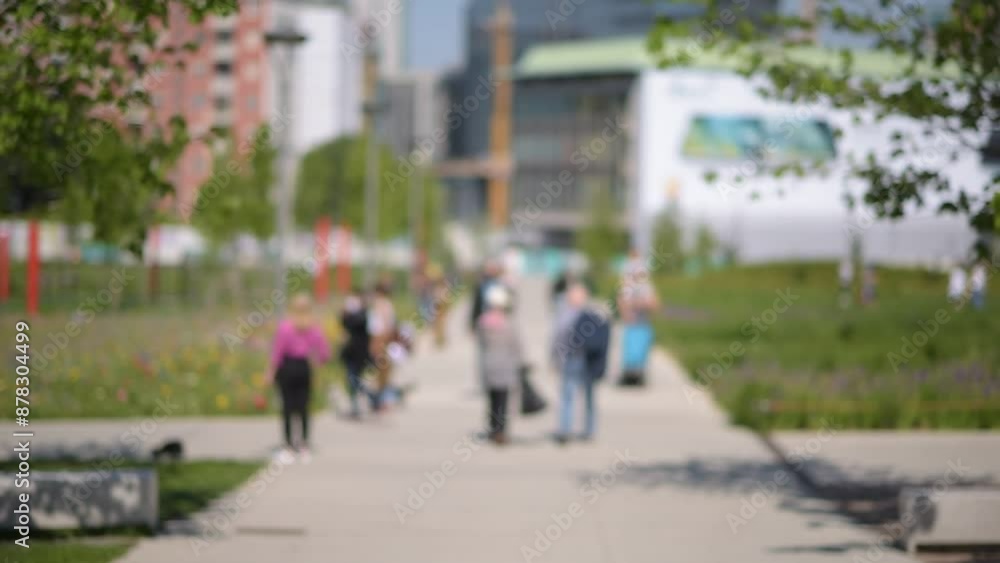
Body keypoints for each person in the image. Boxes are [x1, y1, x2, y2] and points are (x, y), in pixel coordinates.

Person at [269, 293, 331, 463]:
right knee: (303, 407)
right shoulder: (313, 327)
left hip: (287, 367)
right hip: (304, 367)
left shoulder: (285, 327)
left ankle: (289, 446)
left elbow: (277, 352)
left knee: (287, 407)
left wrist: (271, 373)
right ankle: (303, 445)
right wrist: (318, 361)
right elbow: (324, 352)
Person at [552, 283, 610, 444]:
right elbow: (556, 339)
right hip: (571, 359)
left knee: (588, 396)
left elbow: (601, 342)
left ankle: (589, 430)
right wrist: (555, 358)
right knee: (568, 394)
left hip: (586, 361)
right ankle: (566, 429)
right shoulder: (564, 315)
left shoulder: (591, 315)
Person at [476, 285, 522, 445]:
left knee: (492, 400)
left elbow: (481, 344)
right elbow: (516, 345)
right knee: (503, 401)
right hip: (505, 366)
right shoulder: (507, 323)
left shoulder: (482, 322)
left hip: (489, 364)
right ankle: (501, 431)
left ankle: (493, 428)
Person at [617, 252, 659, 387]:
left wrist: (638, 303)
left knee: (640, 352)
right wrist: (627, 309)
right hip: (631, 325)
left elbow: (654, 304)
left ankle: (639, 375)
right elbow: (622, 303)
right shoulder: (627, 286)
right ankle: (628, 375)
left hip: (643, 324)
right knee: (630, 352)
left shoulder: (647, 287)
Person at [339, 290, 372, 419]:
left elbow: (356, 322)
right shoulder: (352, 315)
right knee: (352, 379)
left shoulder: (363, 314)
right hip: (350, 354)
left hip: (359, 354)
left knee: (355, 379)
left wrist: (349, 314)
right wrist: (344, 313)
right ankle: (356, 406)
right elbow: (344, 323)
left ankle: (371, 398)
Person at [368, 280, 397, 411]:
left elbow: (379, 328)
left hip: (381, 341)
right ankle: (383, 400)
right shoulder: (387, 305)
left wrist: (376, 343)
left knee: (380, 374)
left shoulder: (379, 306)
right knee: (384, 373)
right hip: (386, 341)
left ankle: (380, 401)